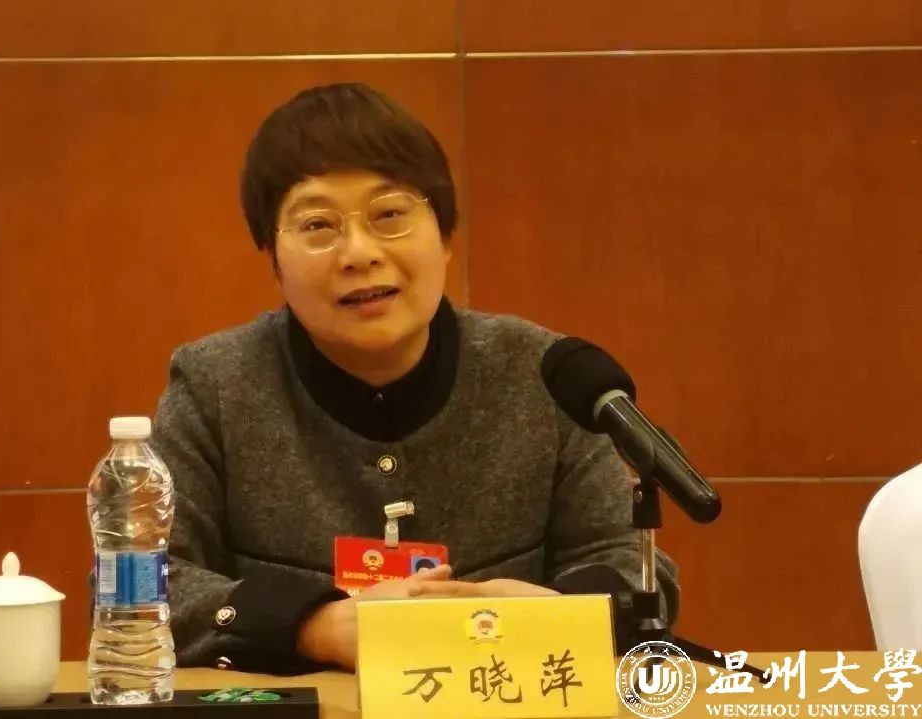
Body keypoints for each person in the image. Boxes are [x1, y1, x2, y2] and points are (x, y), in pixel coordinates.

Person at [151, 82, 680, 675]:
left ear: (446, 236)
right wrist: (312, 627)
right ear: (273, 260)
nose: (359, 253)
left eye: (390, 215)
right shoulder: (216, 385)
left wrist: (559, 614)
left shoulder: (545, 374)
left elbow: (632, 565)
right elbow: (146, 581)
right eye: (319, 225)